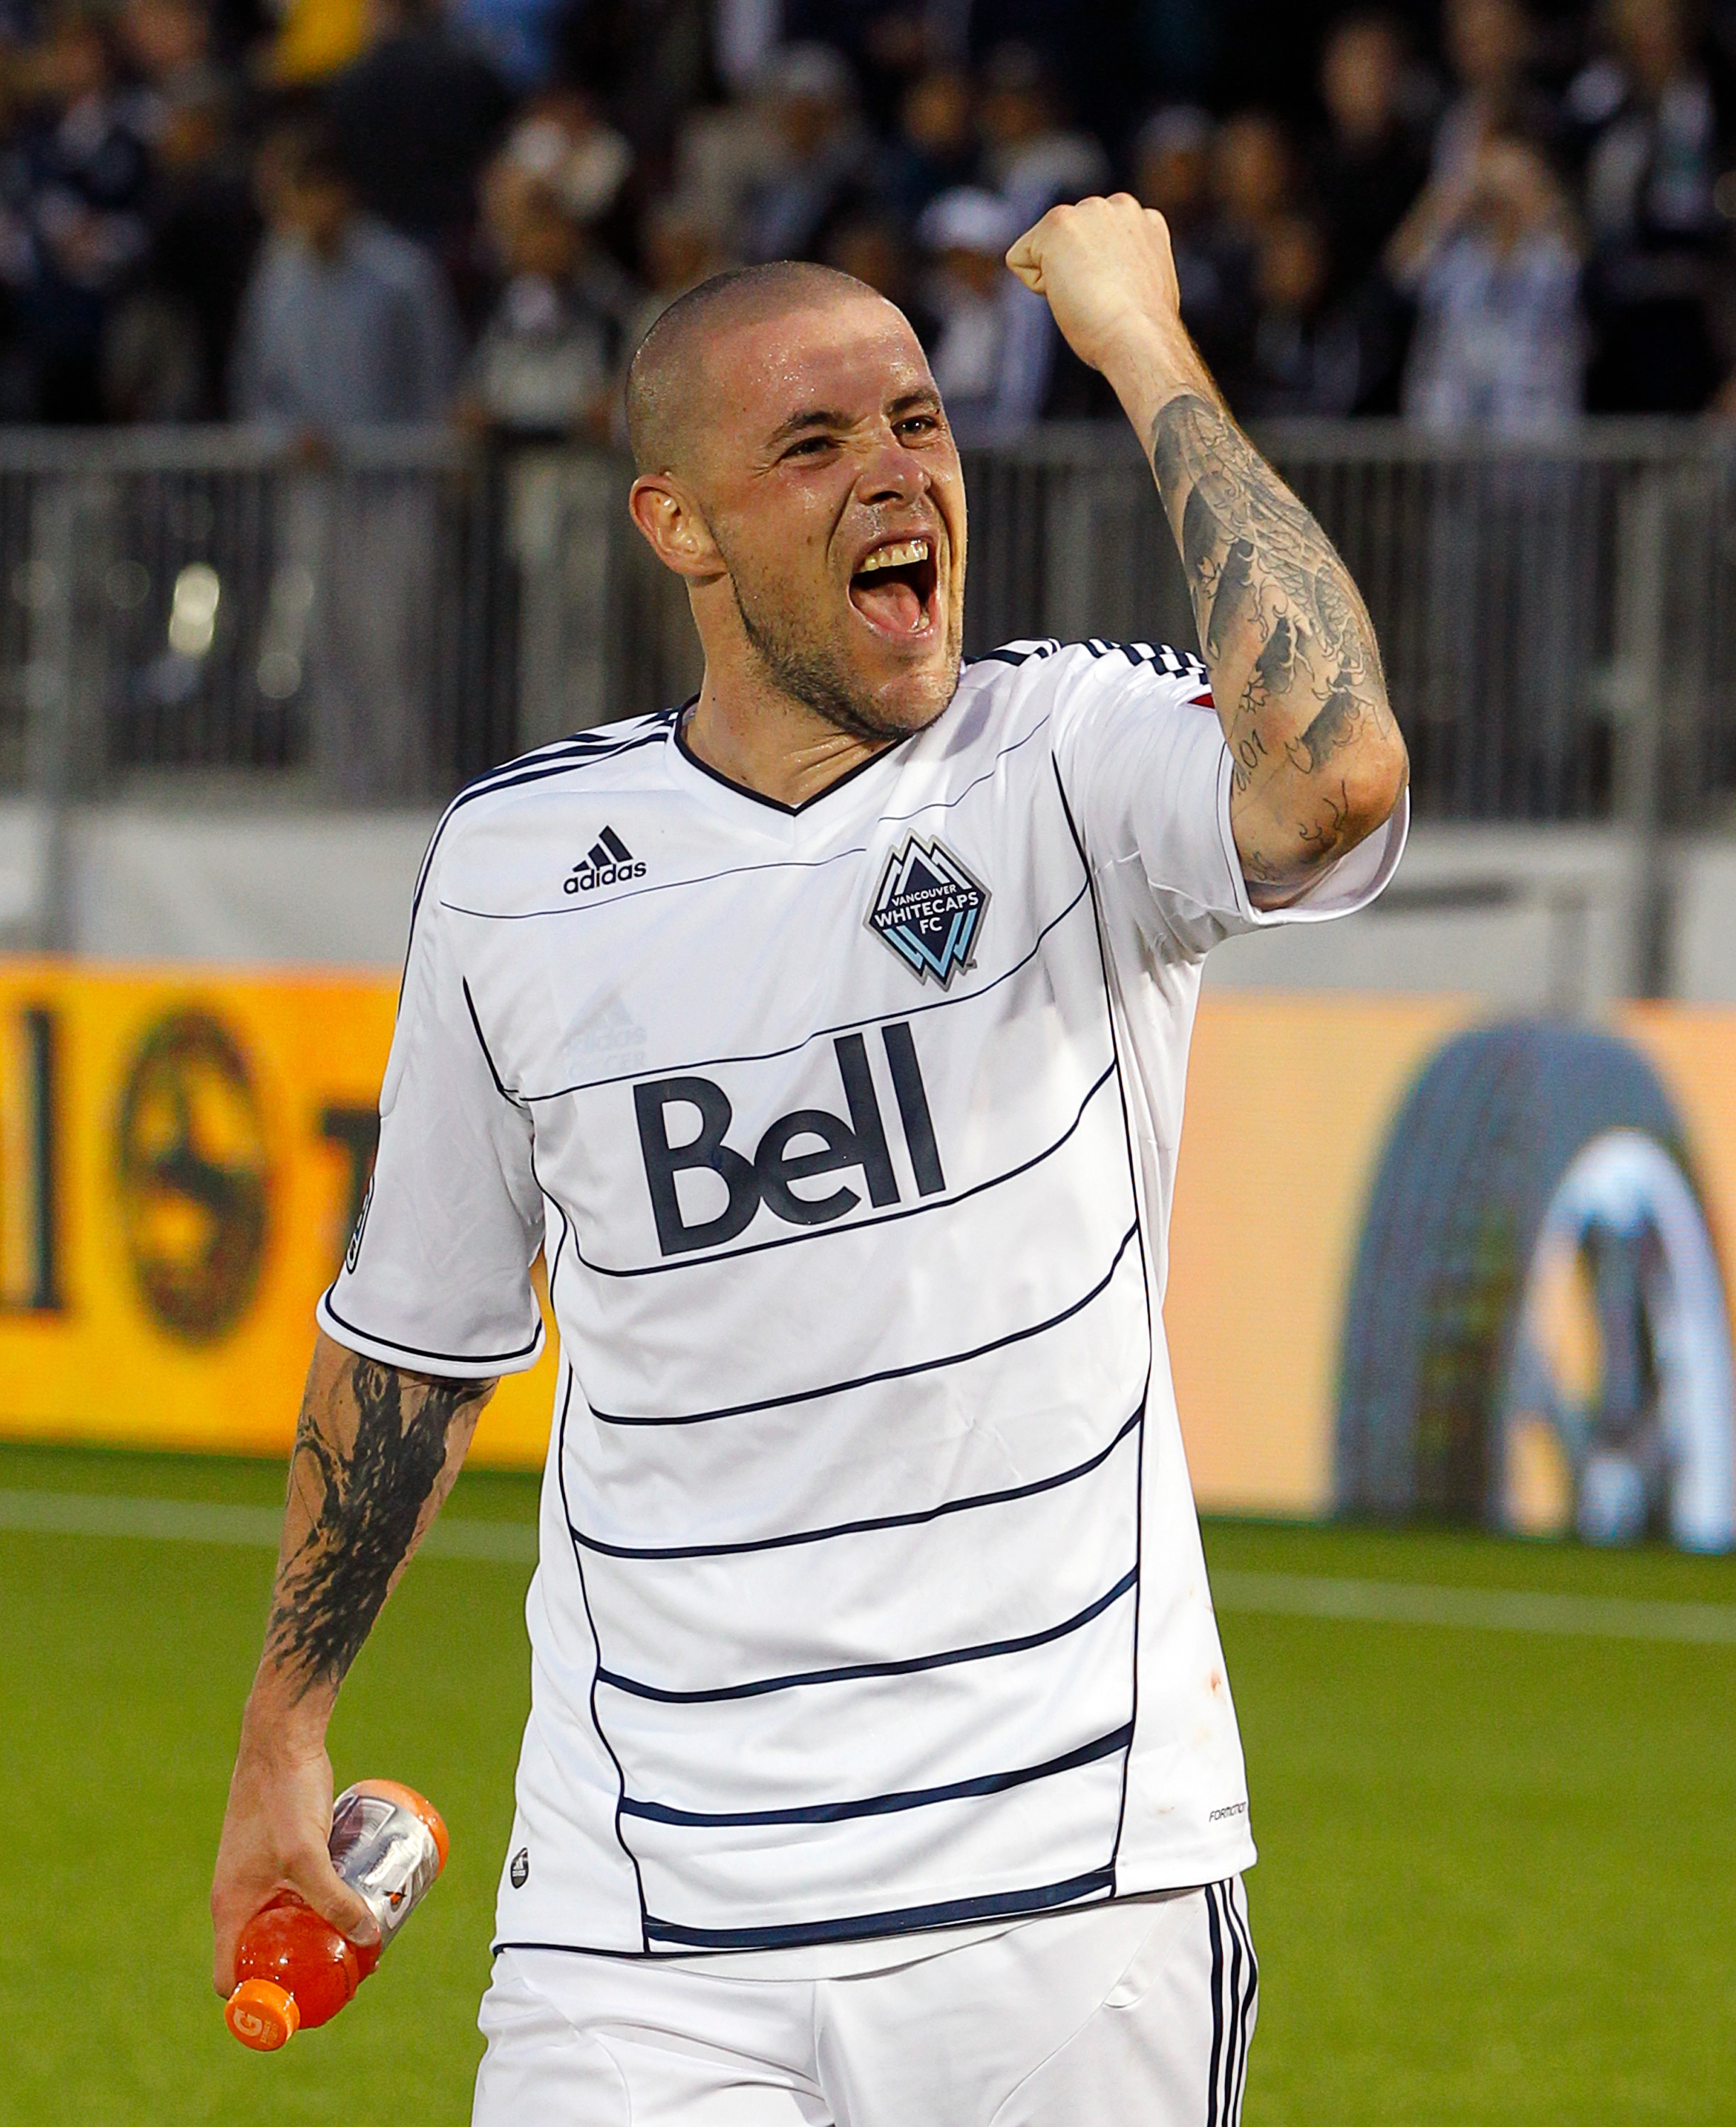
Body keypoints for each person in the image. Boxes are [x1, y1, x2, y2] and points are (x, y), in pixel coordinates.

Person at [211, 196, 1409, 2125]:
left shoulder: (1074, 759)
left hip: (1070, 1892)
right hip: (642, 1914)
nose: (893, 474)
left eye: (919, 424)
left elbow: (1334, 775)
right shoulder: (521, 872)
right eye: (814, 442)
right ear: (677, 525)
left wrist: (1139, 347)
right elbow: (416, 1346)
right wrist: (286, 1731)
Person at [232, 122, 460, 797]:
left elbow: (437, 381)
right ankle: (341, 784)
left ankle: (400, 791)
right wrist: (283, 439)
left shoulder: (399, 275)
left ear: (343, 194)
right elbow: (256, 384)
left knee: (391, 644)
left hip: (395, 489)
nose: (306, 212)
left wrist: (425, 456)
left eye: (315, 194)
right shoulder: (278, 276)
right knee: (326, 641)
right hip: (317, 492)